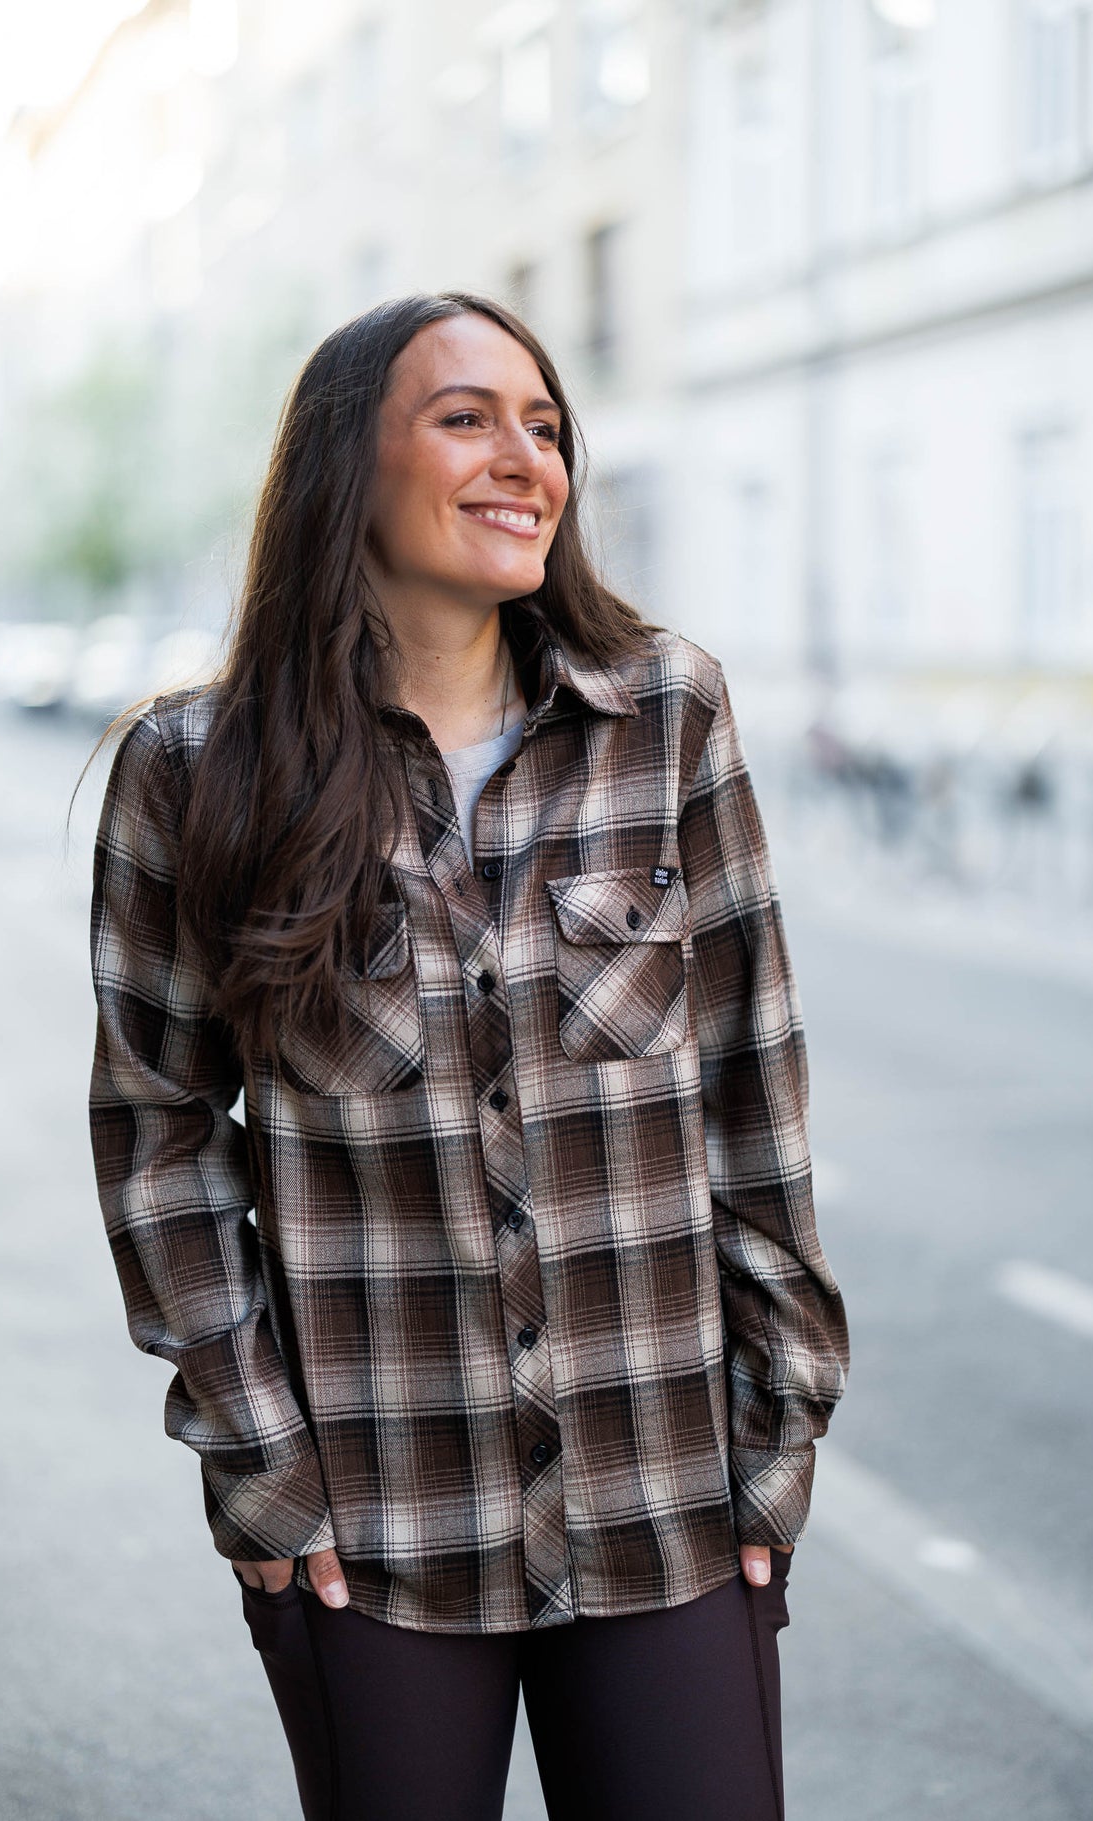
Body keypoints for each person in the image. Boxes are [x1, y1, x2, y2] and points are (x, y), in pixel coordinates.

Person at [86, 290, 850, 1821]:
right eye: (465, 418)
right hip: (368, 1530)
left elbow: (750, 1096)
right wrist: (256, 1458)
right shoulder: (192, 773)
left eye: (546, 425)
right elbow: (163, 1144)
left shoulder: (667, 718)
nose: (526, 459)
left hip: (667, 1502)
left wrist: (780, 1427)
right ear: (340, 466)